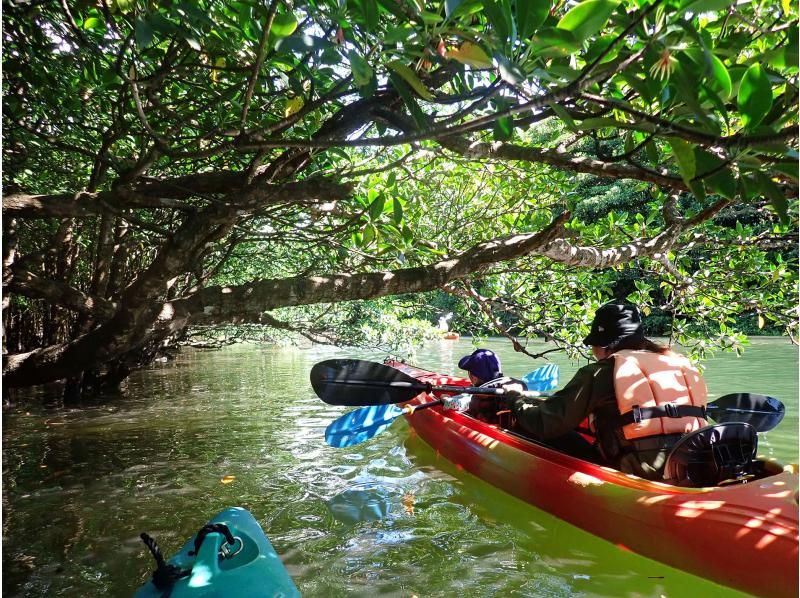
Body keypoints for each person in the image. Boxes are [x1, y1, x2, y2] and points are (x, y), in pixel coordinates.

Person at [501, 302, 709, 480]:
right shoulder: (677, 363)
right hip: (694, 462)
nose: (593, 351)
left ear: (606, 345)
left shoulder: (602, 372)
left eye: (594, 344)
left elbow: (546, 423)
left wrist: (514, 398)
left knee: (538, 429)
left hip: (641, 470)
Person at [443, 349, 526, 421]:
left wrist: (445, 399)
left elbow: (457, 404)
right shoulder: (513, 385)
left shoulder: (479, 396)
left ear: (474, 377)